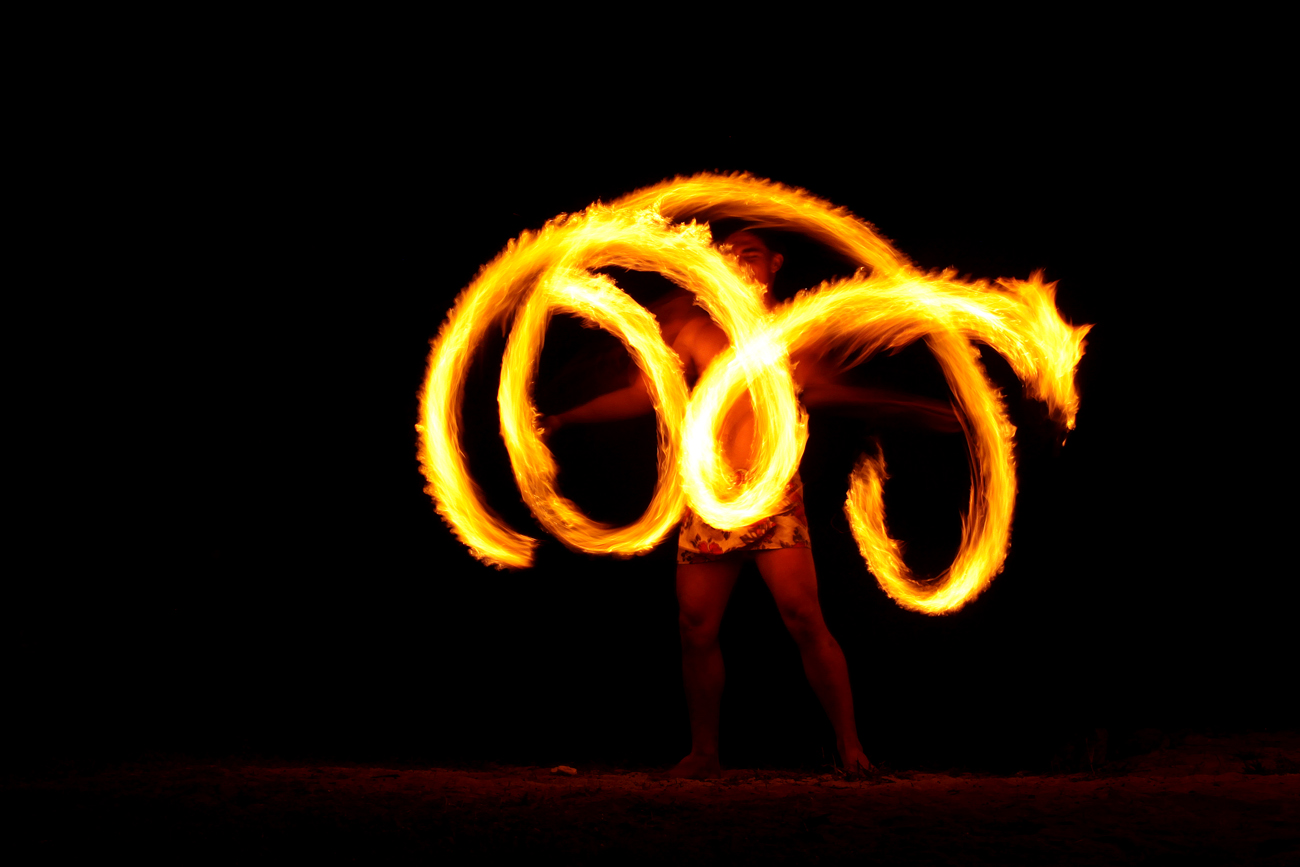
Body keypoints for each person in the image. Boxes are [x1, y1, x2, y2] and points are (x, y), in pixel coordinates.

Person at [542, 230, 954, 778]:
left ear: (777, 264)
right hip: (710, 498)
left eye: (752, 252)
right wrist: (567, 418)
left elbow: (826, 391)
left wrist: (905, 405)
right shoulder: (695, 332)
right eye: (729, 252)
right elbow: (645, 393)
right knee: (694, 625)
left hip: (771, 497)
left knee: (805, 617)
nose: (738, 259)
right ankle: (704, 753)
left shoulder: (792, 334)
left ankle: (852, 748)